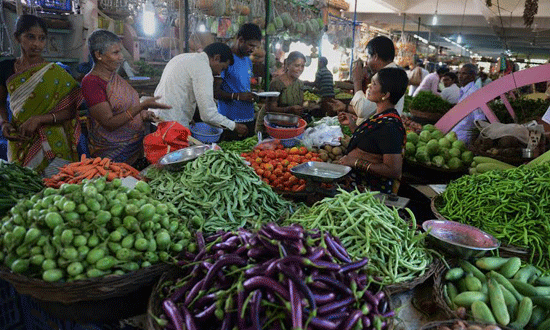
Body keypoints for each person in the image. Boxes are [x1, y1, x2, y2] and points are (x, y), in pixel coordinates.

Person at [0, 15, 82, 173]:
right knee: (25, 189)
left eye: (41, 38)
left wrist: (39, 119)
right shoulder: (5, 68)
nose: (36, 44)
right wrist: (4, 123)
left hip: (54, 141)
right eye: (30, 37)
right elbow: (0, 103)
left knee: (56, 189)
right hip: (21, 139)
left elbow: (72, 110)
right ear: (17, 37)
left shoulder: (56, 72)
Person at [81, 29, 171, 165]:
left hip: (135, 148)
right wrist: (142, 106)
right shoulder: (92, 82)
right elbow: (109, 123)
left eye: (120, 52)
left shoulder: (114, 77)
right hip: (111, 154)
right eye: (115, 53)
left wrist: (143, 114)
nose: (121, 57)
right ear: (99, 55)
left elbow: (125, 108)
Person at [152, 42, 248, 137]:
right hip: (170, 126)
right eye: (222, 68)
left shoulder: (182, 57)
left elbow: (178, 90)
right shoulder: (203, 68)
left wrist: (187, 115)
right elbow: (208, 115)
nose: (219, 72)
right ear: (216, 58)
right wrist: (234, 126)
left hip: (155, 118)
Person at [337, 68, 408, 195]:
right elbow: (371, 142)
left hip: (370, 195)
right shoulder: (380, 116)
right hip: (358, 188)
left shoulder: (390, 126)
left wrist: (355, 162)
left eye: (374, 84)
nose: (369, 86)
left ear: (385, 94)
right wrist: (352, 125)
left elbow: (393, 170)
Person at [214, 23, 262, 140]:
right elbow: (215, 92)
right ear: (240, 40)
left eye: (256, 47)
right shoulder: (225, 59)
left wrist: (255, 94)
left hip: (248, 117)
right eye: (251, 45)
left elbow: (241, 86)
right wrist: (238, 96)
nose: (253, 50)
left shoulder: (248, 60)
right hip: (230, 121)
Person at [350, 36, 405, 125]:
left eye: (368, 57)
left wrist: (357, 80)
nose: (367, 63)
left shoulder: (388, 78)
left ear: (375, 56)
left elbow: (362, 110)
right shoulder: (389, 74)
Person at [255, 51, 306, 133]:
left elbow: (299, 104)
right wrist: (289, 109)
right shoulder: (277, 83)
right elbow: (269, 108)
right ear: (288, 65)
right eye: (297, 65)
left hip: (289, 124)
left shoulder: (300, 84)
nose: (300, 69)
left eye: (302, 66)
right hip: (272, 125)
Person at [451, 63, 486, 143]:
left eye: (464, 74)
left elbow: (479, 117)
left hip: (463, 137)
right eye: (459, 73)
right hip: (456, 133)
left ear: (472, 76)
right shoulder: (464, 90)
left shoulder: (473, 92)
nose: (460, 76)